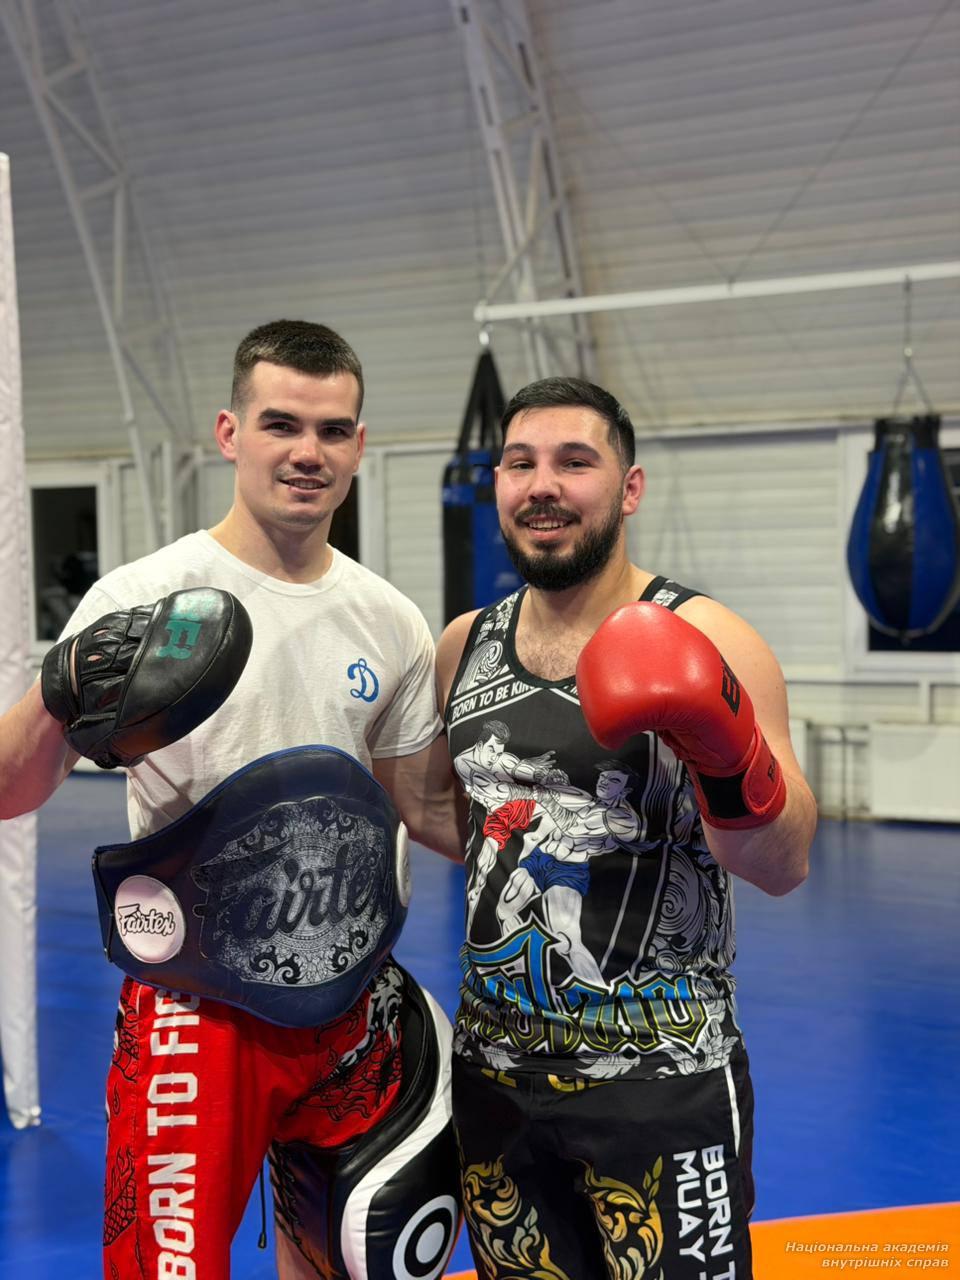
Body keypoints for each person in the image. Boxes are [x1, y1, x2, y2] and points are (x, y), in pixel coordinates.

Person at [0, 319, 464, 1279]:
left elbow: (424, 808)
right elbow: (14, 790)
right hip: (196, 1008)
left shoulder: (389, 618)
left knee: (345, 1261)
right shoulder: (146, 598)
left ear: (359, 446)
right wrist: (61, 689)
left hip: (348, 1000)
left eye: (331, 431)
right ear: (230, 433)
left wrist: (578, 826)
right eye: (280, 424)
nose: (307, 453)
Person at [436, 376, 817, 1280]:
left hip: (663, 1083)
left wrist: (725, 750)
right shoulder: (464, 644)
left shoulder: (710, 635)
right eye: (520, 463)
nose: (543, 486)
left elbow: (785, 861)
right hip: (495, 1081)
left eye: (575, 462)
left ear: (629, 487)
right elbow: (451, 823)